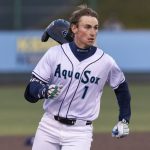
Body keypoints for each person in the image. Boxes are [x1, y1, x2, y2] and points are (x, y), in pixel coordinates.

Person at [24, 5, 131, 150]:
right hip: (48, 127)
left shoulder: (105, 61)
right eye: (87, 27)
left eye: (95, 27)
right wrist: (44, 91)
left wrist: (124, 120)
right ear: (74, 29)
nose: (92, 32)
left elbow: (122, 89)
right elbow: (30, 91)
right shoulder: (54, 53)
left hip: (79, 132)